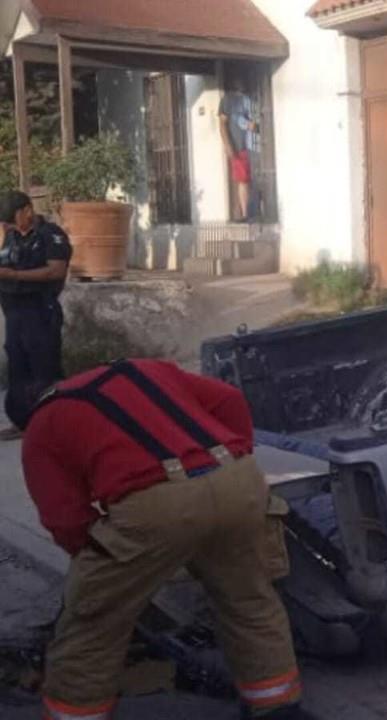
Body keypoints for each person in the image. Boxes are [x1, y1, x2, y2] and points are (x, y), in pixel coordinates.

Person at [21, 358, 312, 719]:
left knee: (93, 625)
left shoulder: (40, 427)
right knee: (249, 599)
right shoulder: (141, 368)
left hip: (155, 505)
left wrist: (105, 572)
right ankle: (277, 706)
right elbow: (229, 400)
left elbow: (66, 521)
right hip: (237, 477)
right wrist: (236, 458)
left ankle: (75, 715)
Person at [0, 190, 71, 436]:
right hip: (14, 311)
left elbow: (56, 271)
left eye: (11, 219)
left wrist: (15, 275)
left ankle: (54, 423)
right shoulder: (10, 237)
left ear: (27, 211)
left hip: (40, 310)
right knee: (18, 367)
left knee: (44, 367)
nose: (7, 224)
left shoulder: (50, 235)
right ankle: (21, 422)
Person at [219, 74, 258, 222]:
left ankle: (248, 212)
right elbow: (222, 124)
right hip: (238, 147)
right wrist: (228, 145)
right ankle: (245, 213)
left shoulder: (249, 99)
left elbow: (254, 122)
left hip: (251, 145)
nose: (240, 82)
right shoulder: (227, 100)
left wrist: (253, 126)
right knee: (243, 180)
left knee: (250, 179)